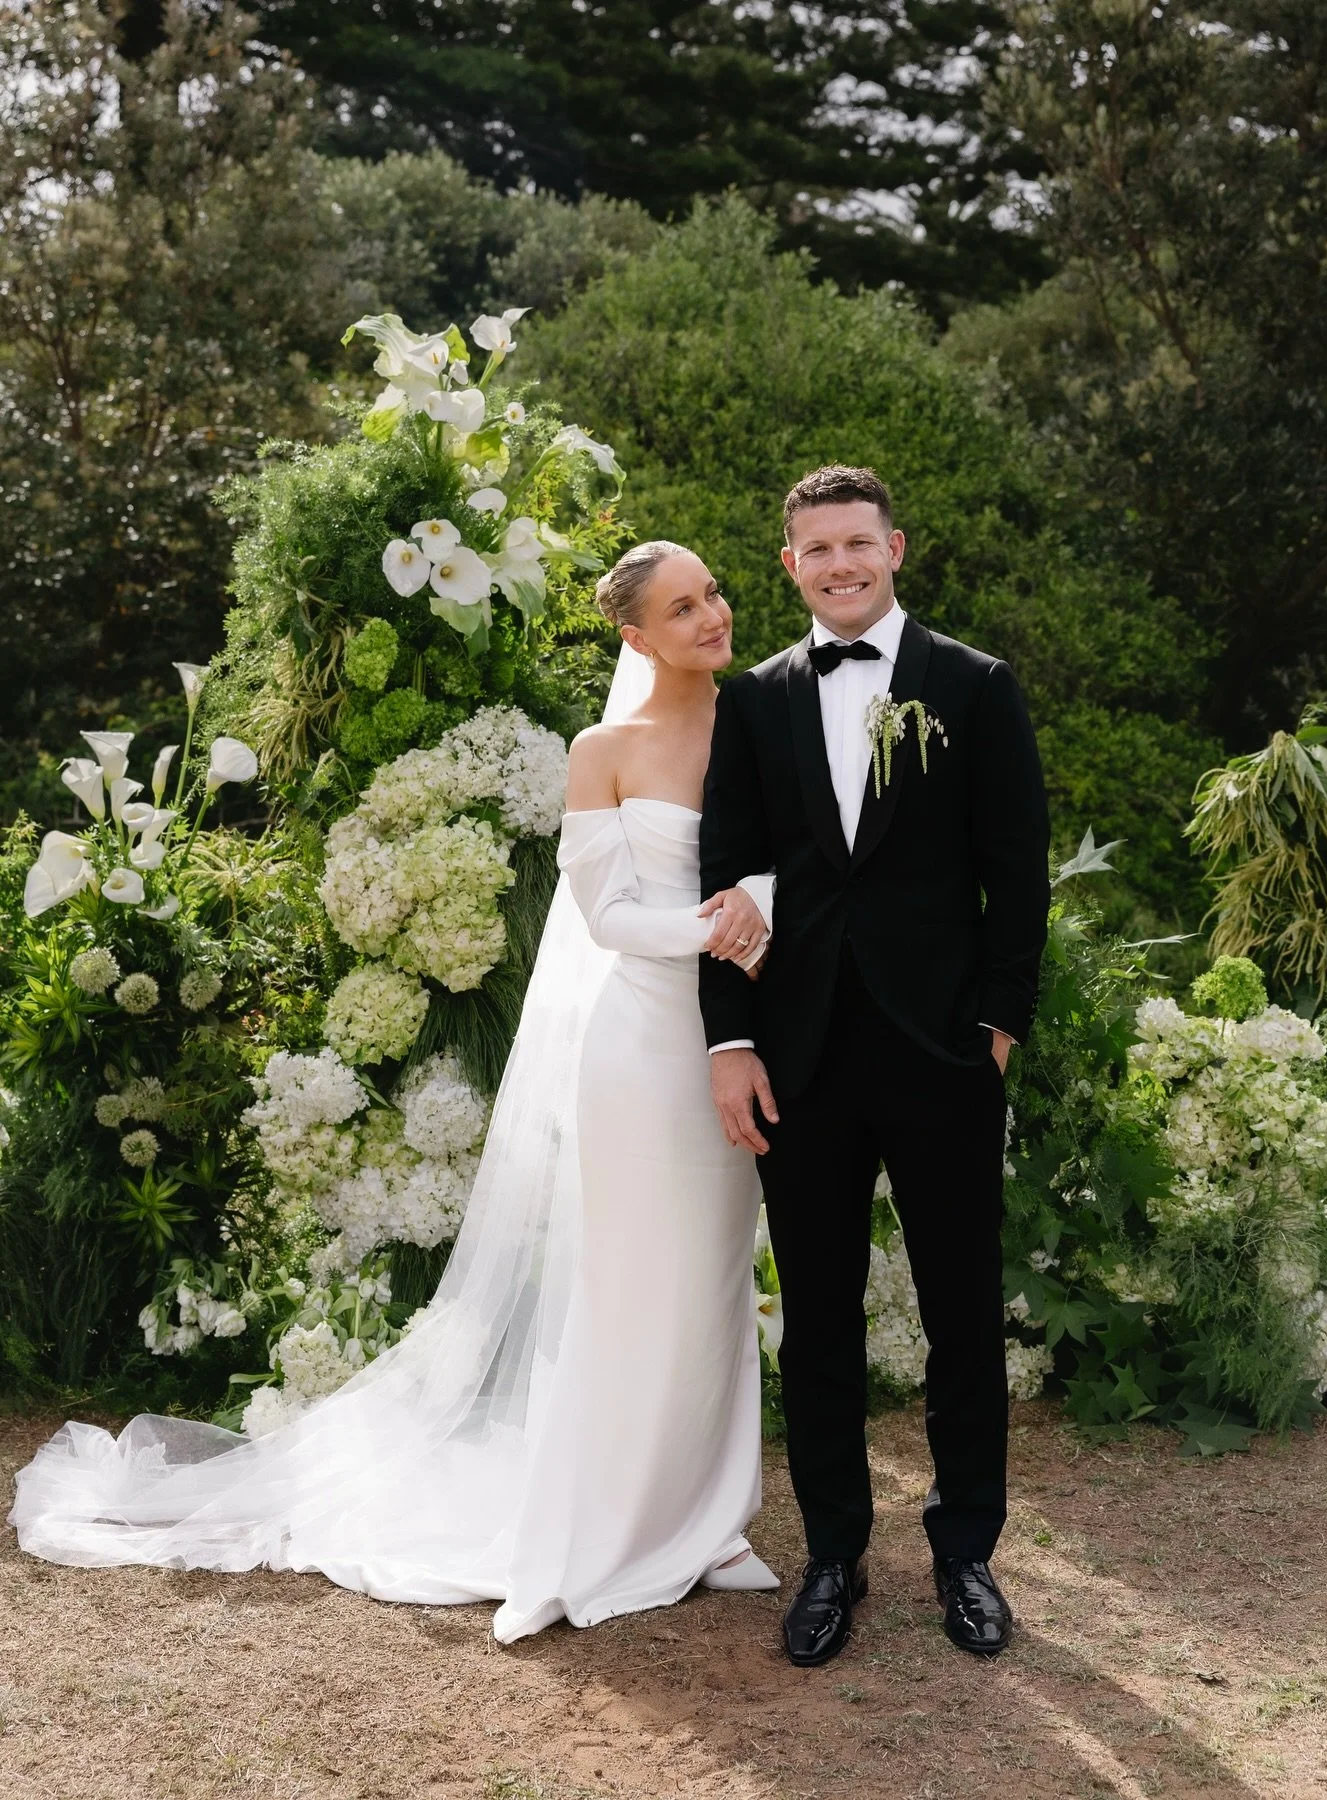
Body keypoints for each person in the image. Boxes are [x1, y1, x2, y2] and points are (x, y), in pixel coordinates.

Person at [9, 543, 780, 1642]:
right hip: (642, 1045)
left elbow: (794, 855)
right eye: (683, 606)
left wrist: (756, 902)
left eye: (713, 594)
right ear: (635, 635)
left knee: (709, 1277)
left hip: (734, 1034)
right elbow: (607, 919)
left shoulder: (761, 721)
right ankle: (602, 1523)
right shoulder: (602, 750)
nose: (713, 614)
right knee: (627, 1282)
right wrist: (719, 929)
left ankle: (712, 1520)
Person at [699, 465, 1051, 1667]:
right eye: (817, 550)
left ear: (895, 547)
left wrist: (998, 1024)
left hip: (944, 1047)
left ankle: (966, 1552)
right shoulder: (752, 703)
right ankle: (835, 1555)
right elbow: (729, 880)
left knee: (961, 1309)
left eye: (860, 544)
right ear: (788, 563)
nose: (841, 565)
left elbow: (1019, 867)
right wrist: (731, 1040)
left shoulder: (977, 687)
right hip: (800, 1054)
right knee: (821, 1321)